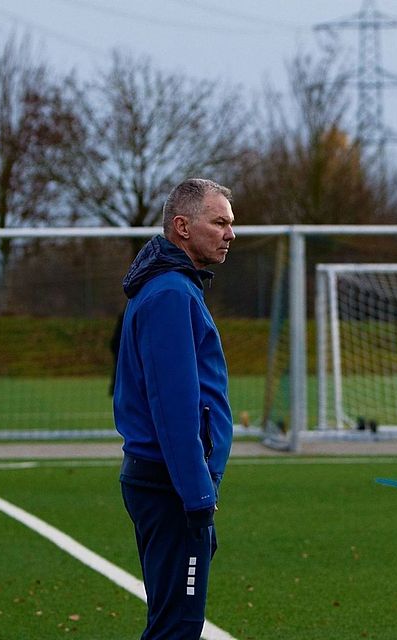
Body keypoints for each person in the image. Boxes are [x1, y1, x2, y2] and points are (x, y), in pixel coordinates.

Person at [113, 178, 235, 639]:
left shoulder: (176, 288)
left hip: (171, 483)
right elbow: (175, 406)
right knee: (177, 626)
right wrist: (198, 495)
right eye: (219, 222)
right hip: (169, 485)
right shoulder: (170, 293)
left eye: (231, 223)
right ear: (182, 226)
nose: (230, 234)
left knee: (174, 621)